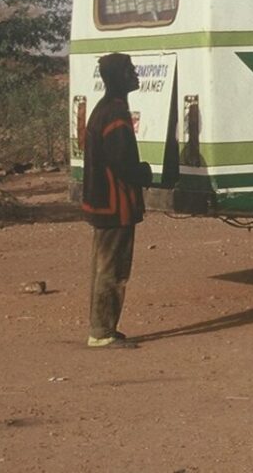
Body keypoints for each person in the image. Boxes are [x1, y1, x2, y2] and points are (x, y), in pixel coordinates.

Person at [81, 53, 153, 349]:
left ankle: (102, 327)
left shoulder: (105, 109)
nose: (135, 74)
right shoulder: (115, 113)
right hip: (114, 204)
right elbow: (122, 161)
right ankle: (101, 332)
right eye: (131, 70)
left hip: (101, 203)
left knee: (103, 267)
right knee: (113, 270)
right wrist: (144, 173)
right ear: (119, 77)